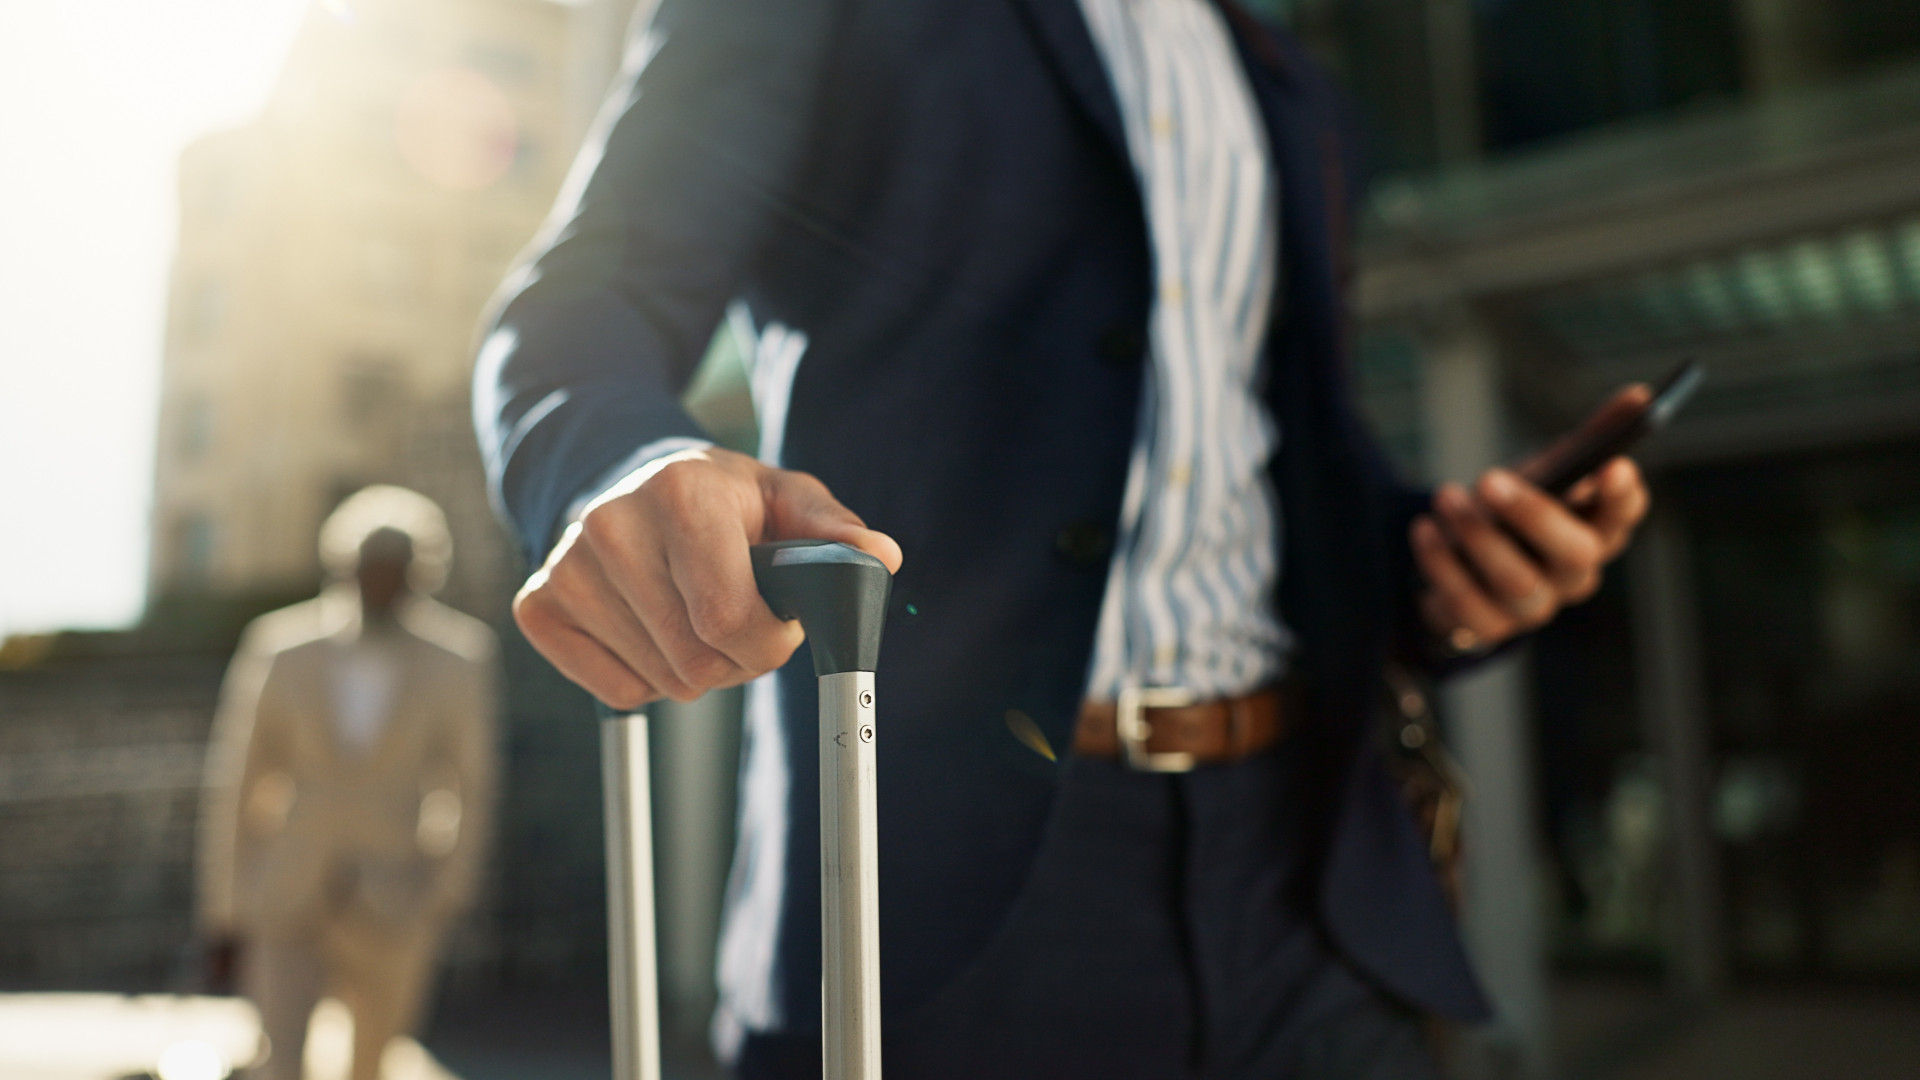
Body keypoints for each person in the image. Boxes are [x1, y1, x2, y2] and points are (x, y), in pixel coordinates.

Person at [474, 1, 1649, 1076]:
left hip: (1307, 877)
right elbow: (588, 298)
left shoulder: (1273, 57)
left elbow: (1280, 451)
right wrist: (627, 467)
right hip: (955, 889)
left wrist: (1452, 565)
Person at [198, 486, 499, 1080]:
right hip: (290, 890)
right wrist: (225, 907)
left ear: (421, 574)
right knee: (279, 1061)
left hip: (395, 898)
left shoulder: (459, 657)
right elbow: (241, 776)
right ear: (344, 567)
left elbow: (473, 783)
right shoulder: (281, 647)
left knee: (373, 1064)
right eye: (369, 569)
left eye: (396, 571)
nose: (380, 583)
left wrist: (444, 892)